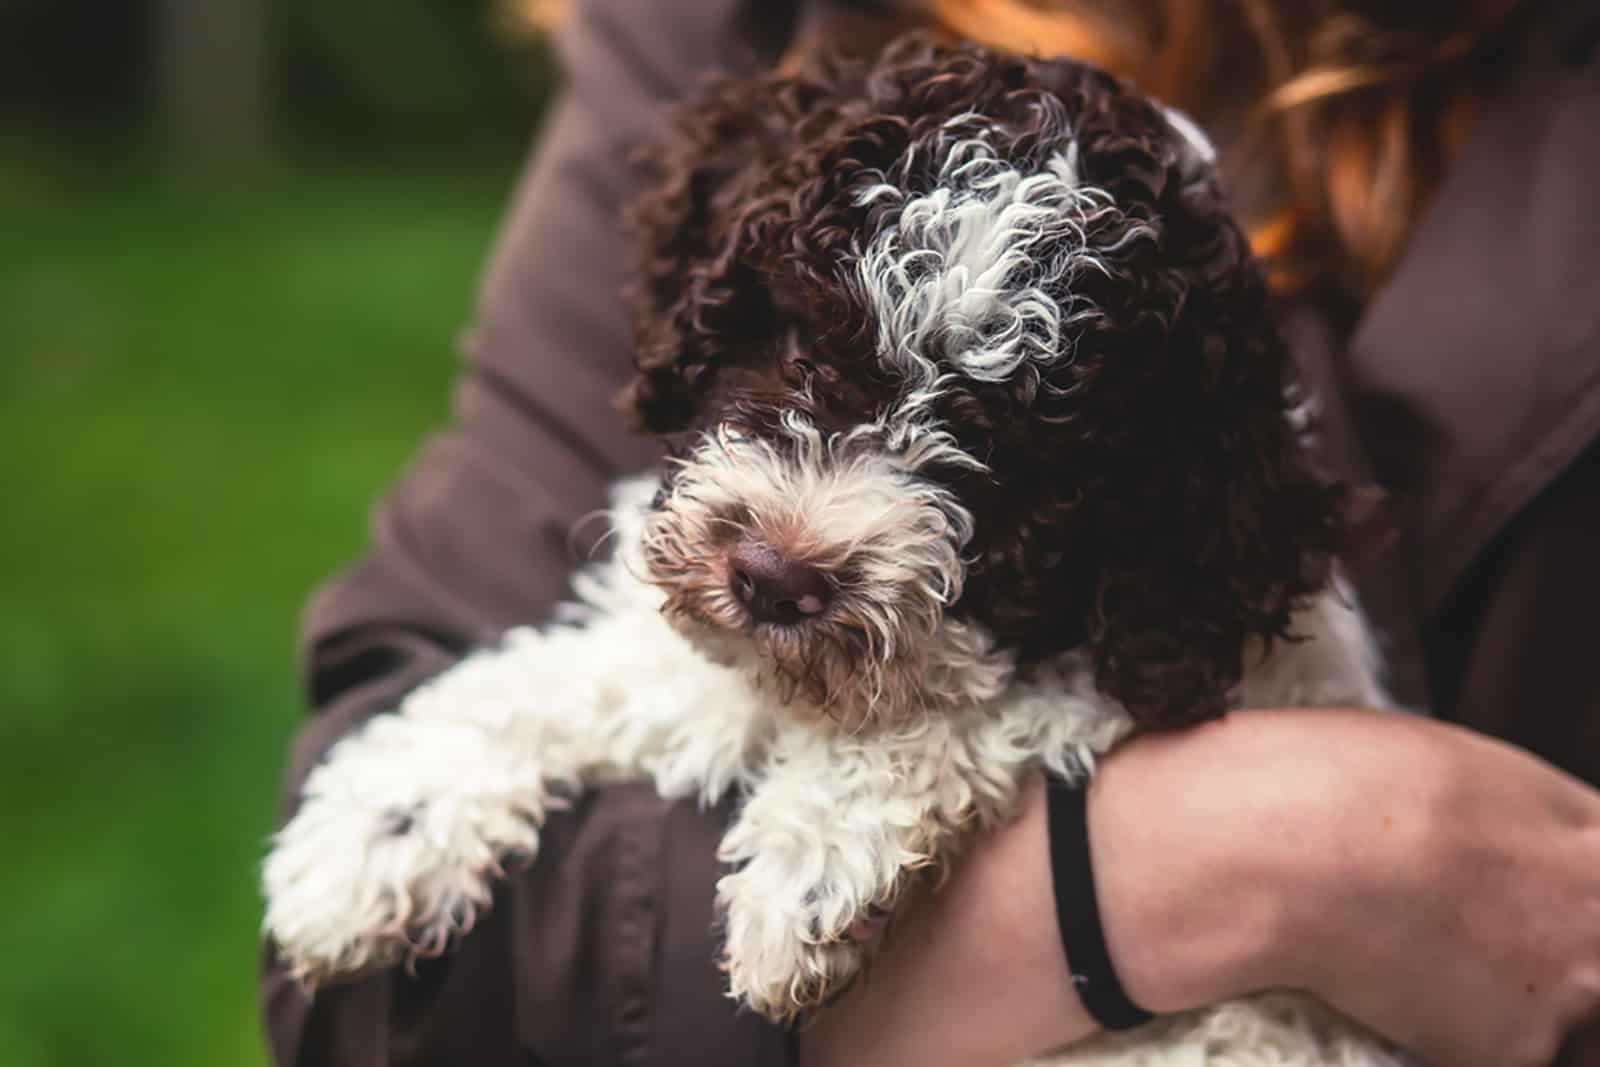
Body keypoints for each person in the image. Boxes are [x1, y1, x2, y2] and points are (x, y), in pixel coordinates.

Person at [260, 0, 1600, 1064]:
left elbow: (1094, 697)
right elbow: (374, 1009)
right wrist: (1142, 877)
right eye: (804, 370)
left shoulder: (1197, 527)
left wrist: (911, 795)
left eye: (971, 474)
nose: (800, 533)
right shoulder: (747, 30)